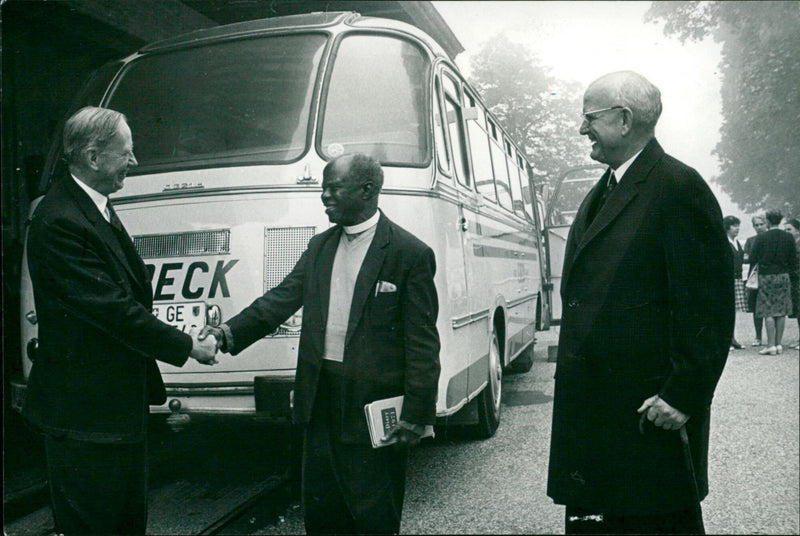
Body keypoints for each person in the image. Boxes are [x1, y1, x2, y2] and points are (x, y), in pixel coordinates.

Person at [201, 153, 440, 534]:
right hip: (320, 399)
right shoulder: (320, 248)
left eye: (334, 188)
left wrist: (417, 412)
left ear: (367, 190)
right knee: (324, 515)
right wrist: (226, 333)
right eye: (323, 188)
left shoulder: (409, 254)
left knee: (373, 515)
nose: (324, 196)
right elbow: (278, 300)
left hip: (371, 406)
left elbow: (423, 342)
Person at [546, 71, 734, 534]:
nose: (581, 128)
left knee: (654, 522)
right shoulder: (605, 189)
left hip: (648, 416)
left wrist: (682, 395)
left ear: (624, 119)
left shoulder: (677, 187)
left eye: (589, 117)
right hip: (598, 414)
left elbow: (708, 307)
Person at [22, 107, 219, 535]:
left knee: (124, 522)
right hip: (84, 418)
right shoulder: (60, 220)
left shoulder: (92, 208)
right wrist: (187, 345)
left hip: (110, 412)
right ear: (93, 157)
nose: (134, 162)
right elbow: (112, 308)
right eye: (126, 153)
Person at [749, 210, 799, 355]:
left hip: (766, 276)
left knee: (768, 310)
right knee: (781, 311)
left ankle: (770, 345)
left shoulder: (762, 237)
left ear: (768, 222)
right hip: (783, 276)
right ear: (780, 220)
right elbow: (793, 260)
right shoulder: (788, 237)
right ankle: (778, 344)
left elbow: (752, 257)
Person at [744, 214, 768, 345]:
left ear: (766, 224)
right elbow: (747, 257)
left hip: (768, 274)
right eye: (756, 225)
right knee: (756, 307)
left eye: (761, 224)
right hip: (754, 275)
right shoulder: (750, 240)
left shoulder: (771, 238)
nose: (758, 227)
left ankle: (773, 336)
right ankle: (758, 336)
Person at [724, 215, 746, 349]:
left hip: (737, 279)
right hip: (727, 280)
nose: (737, 228)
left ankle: (732, 338)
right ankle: (726, 340)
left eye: (738, 225)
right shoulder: (723, 242)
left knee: (733, 311)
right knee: (726, 309)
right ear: (727, 227)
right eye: (734, 225)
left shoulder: (737, 242)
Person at [781, 217, 800, 350]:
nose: (786, 232)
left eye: (789, 229)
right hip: (794, 280)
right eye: (785, 229)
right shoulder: (791, 244)